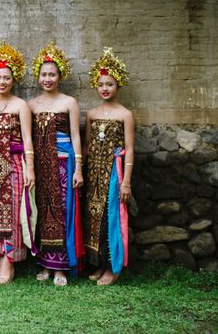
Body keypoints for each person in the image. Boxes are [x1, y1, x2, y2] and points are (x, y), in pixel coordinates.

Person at [28, 42, 85, 287]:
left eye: (52, 74)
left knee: (61, 212)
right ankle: (44, 263)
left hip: (62, 162)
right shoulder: (31, 105)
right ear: (38, 77)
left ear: (60, 76)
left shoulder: (69, 102)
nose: (48, 78)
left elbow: (75, 136)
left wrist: (79, 168)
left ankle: (60, 266)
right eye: (44, 74)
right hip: (40, 165)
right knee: (41, 212)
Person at [0, 42, 35, 284]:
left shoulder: (20, 105)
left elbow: (27, 138)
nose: (2, 82)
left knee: (12, 211)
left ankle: (8, 260)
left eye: (7, 78)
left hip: (13, 164)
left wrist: (30, 168)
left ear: (14, 80)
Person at [84, 47, 134, 286]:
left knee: (111, 217)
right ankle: (100, 263)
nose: (105, 88)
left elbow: (131, 149)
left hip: (114, 173)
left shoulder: (125, 115)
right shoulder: (91, 114)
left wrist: (126, 182)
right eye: (101, 84)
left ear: (118, 86)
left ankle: (113, 268)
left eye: (110, 84)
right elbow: (86, 146)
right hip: (94, 173)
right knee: (95, 219)